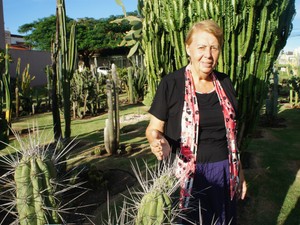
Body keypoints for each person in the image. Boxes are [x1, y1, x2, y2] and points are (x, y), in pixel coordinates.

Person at [145, 20, 247, 225]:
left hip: (224, 173)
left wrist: (240, 175)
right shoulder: (171, 84)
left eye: (214, 48)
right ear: (188, 49)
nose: (208, 55)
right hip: (186, 177)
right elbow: (153, 129)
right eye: (201, 47)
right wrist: (156, 140)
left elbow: (232, 139)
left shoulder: (225, 82)